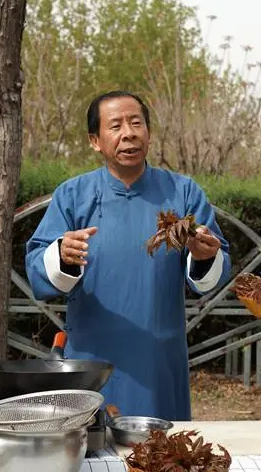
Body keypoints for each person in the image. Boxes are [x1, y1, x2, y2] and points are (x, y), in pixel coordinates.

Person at [25, 91, 232, 421]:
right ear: (95, 140)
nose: (129, 133)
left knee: (160, 453)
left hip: (158, 357)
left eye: (136, 123)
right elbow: (37, 268)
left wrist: (205, 255)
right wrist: (62, 255)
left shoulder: (183, 192)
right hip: (90, 359)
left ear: (148, 132)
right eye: (116, 125)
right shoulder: (72, 195)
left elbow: (212, 272)